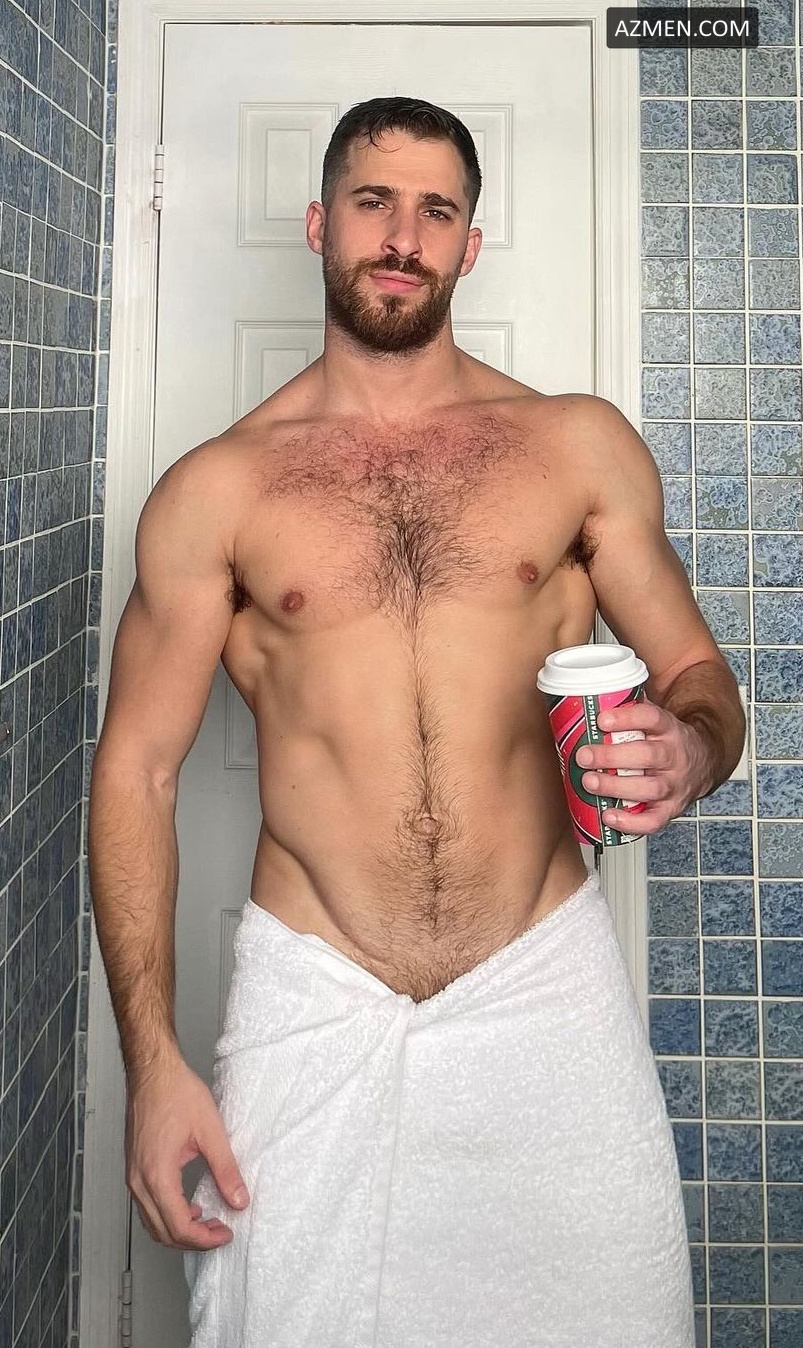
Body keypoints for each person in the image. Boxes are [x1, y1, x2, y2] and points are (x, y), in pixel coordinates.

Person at [88, 97, 745, 1347]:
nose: (402, 236)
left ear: (468, 243)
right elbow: (139, 773)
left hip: (541, 985)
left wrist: (692, 744)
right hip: (314, 1005)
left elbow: (697, 672)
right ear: (318, 223)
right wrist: (154, 1066)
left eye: (435, 210)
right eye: (373, 202)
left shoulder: (572, 448)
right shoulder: (218, 490)